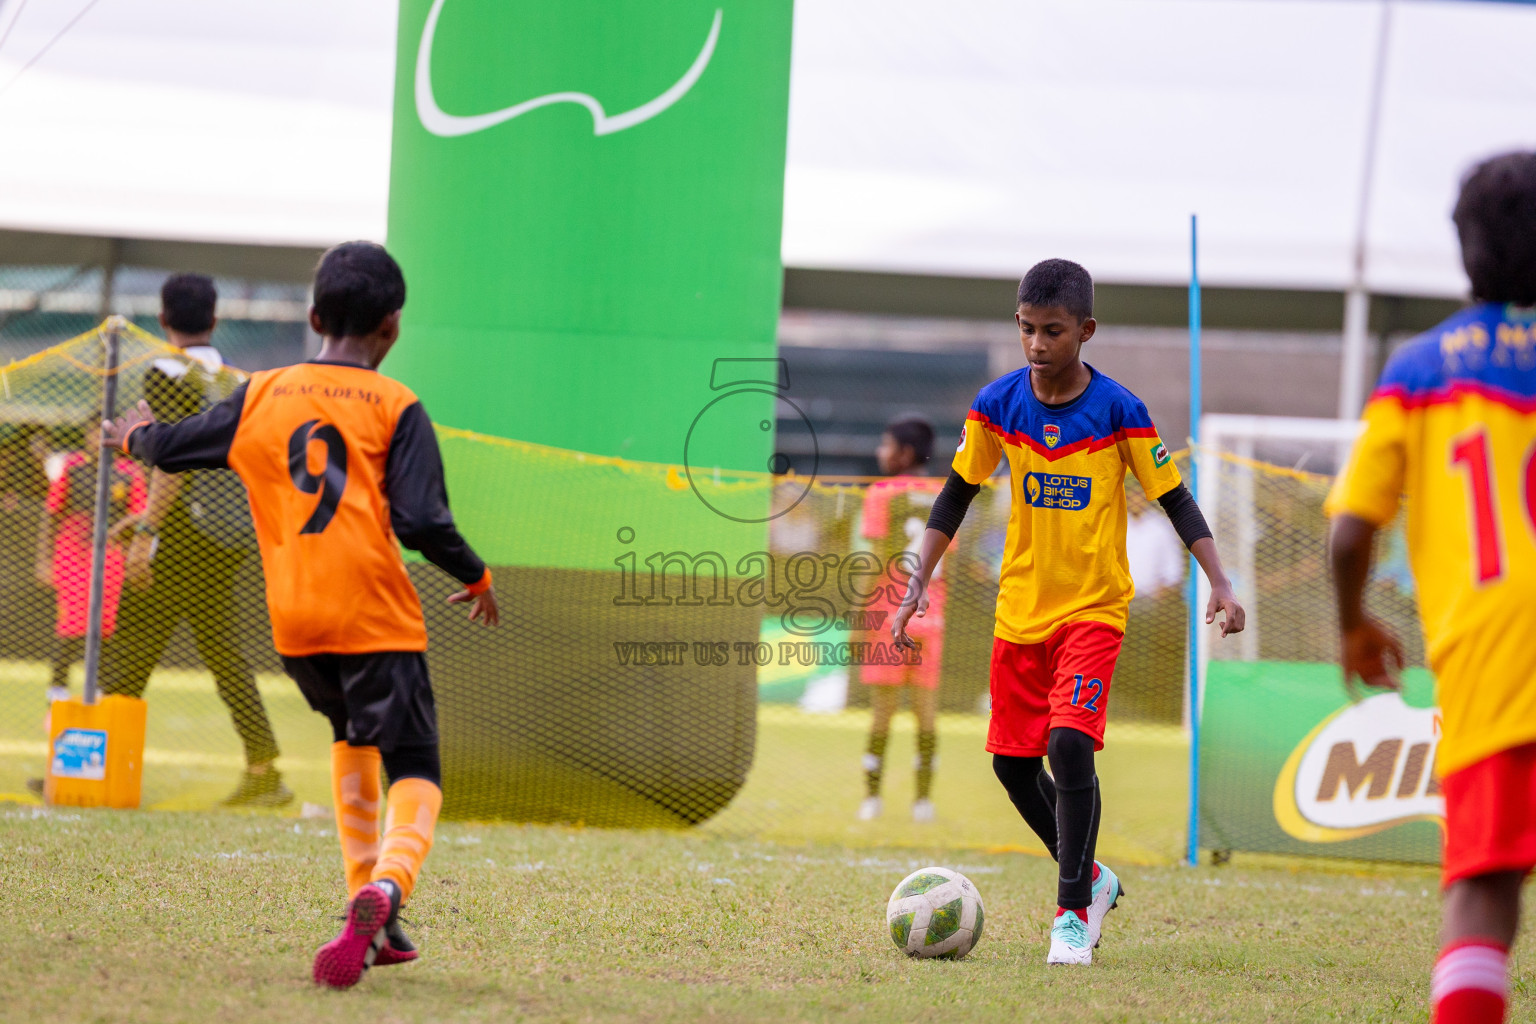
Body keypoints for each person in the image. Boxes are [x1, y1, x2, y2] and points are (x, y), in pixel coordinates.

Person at [102, 241, 501, 990]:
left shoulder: (261, 393)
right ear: (392, 327)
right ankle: (386, 890)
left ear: (314, 316)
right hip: (375, 616)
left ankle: (370, 916)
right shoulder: (396, 405)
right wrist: (476, 576)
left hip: (297, 622)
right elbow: (420, 520)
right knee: (415, 765)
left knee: (349, 735)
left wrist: (132, 435)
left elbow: (173, 448)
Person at [889, 259, 1244, 966]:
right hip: (1019, 610)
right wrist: (918, 577)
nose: (1037, 345)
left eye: (1052, 331)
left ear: (1085, 331)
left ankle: (1071, 911)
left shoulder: (1120, 411)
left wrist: (1221, 581)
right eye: (1026, 329)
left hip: (1093, 609)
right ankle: (1093, 877)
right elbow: (956, 495)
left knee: (1070, 745)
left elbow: (1174, 497)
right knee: (1011, 767)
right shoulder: (996, 405)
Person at [1326, 151, 1536, 1024]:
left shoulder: (1418, 371)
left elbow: (1348, 531)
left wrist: (1352, 626)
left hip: (1494, 657)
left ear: (1464, 250)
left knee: (1483, 890)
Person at [101, 273, 289, 807]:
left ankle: (96, 764)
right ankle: (263, 768)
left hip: (184, 532)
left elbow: (172, 458)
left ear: (162, 319)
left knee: (133, 645)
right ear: (215, 318)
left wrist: (149, 530)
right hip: (228, 534)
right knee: (220, 647)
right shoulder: (232, 377)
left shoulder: (165, 370)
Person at [857, 417, 949, 824]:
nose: (881, 452)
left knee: (883, 711)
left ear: (904, 453)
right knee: (927, 711)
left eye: (885, 444)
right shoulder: (946, 493)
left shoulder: (882, 493)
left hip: (888, 612)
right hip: (932, 610)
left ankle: (872, 801)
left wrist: (861, 606)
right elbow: (951, 557)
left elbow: (875, 557)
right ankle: (923, 803)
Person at [32, 422, 147, 708]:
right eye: (94, 432)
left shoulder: (129, 473)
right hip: (71, 550)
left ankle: (96, 689)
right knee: (72, 621)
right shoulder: (72, 467)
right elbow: (52, 513)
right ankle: (57, 687)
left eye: (105, 433)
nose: (99, 439)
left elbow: (141, 515)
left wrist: (131, 549)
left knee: (103, 623)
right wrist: (43, 560)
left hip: (110, 551)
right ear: (86, 435)